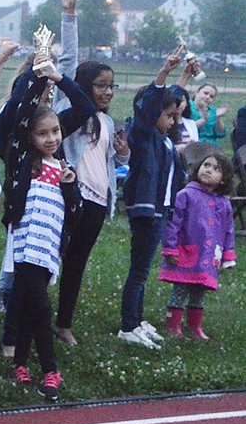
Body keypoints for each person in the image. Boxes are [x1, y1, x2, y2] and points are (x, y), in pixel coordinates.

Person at [1, 48, 91, 402]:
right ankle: (51, 370)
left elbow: (83, 108)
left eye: (55, 131)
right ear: (30, 138)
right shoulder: (23, 157)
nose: (52, 138)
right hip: (25, 245)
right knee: (38, 306)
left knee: (27, 302)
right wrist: (36, 75)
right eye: (44, 134)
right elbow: (17, 115)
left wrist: (58, 77)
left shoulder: (62, 164)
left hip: (49, 247)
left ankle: (20, 362)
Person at [52, 61, 130, 346]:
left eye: (111, 86)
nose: (108, 91)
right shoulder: (70, 113)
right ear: (84, 85)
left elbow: (111, 161)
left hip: (98, 200)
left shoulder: (107, 121)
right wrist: (70, 16)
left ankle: (63, 324)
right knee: (49, 259)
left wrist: (124, 154)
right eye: (100, 85)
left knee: (76, 262)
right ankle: (19, 310)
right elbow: (68, 60)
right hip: (74, 196)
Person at [119, 46, 188, 349]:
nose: (174, 121)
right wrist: (164, 72)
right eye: (169, 115)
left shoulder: (162, 138)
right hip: (146, 211)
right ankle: (128, 325)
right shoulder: (144, 132)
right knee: (139, 270)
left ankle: (137, 319)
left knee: (143, 270)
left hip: (160, 211)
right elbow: (150, 109)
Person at [159, 153, 236, 339]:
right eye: (206, 165)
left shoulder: (224, 204)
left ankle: (195, 326)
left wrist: (228, 256)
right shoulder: (186, 195)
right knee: (181, 289)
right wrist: (171, 248)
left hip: (208, 257)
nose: (208, 170)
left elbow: (228, 231)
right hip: (186, 252)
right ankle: (173, 325)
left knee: (199, 292)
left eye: (216, 169)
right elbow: (173, 223)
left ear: (223, 179)